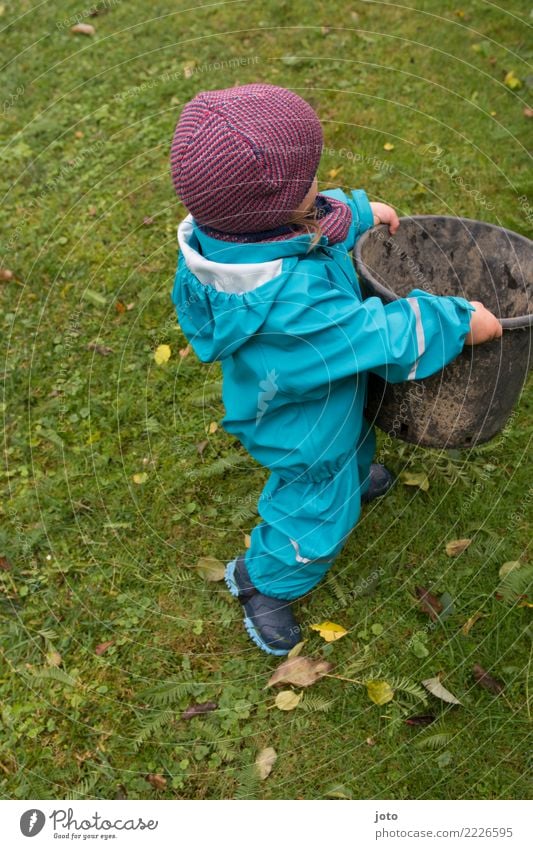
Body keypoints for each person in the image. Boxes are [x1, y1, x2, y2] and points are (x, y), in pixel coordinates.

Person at [169, 84, 502, 656]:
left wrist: (357, 213)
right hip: (303, 432)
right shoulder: (293, 309)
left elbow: (310, 226)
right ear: (275, 208)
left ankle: (350, 474)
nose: (318, 185)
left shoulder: (229, 237)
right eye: (312, 180)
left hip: (318, 401)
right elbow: (379, 338)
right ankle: (264, 579)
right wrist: (453, 320)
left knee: (353, 444)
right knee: (315, 508)